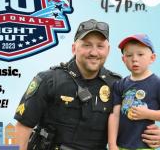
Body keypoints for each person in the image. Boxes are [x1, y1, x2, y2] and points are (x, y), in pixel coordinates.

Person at [14, 20, 160, 150]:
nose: (94, 52)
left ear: (108, 50)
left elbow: (131, 120)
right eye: (87, 45)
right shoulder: (49, 80)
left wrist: (155, 135)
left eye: (100, 46)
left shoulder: (117, 85)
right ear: (74, 48)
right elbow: (23, 127)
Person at [108, 34, 160, 150]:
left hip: (144, 145)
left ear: (152, 58)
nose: (134, 59)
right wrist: (112, 144)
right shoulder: (119, 84)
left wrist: (148, 114)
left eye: (140, 54)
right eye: (129, 55)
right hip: (120, 145)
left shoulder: (157, 84)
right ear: (123, 59)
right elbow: (114, 115)